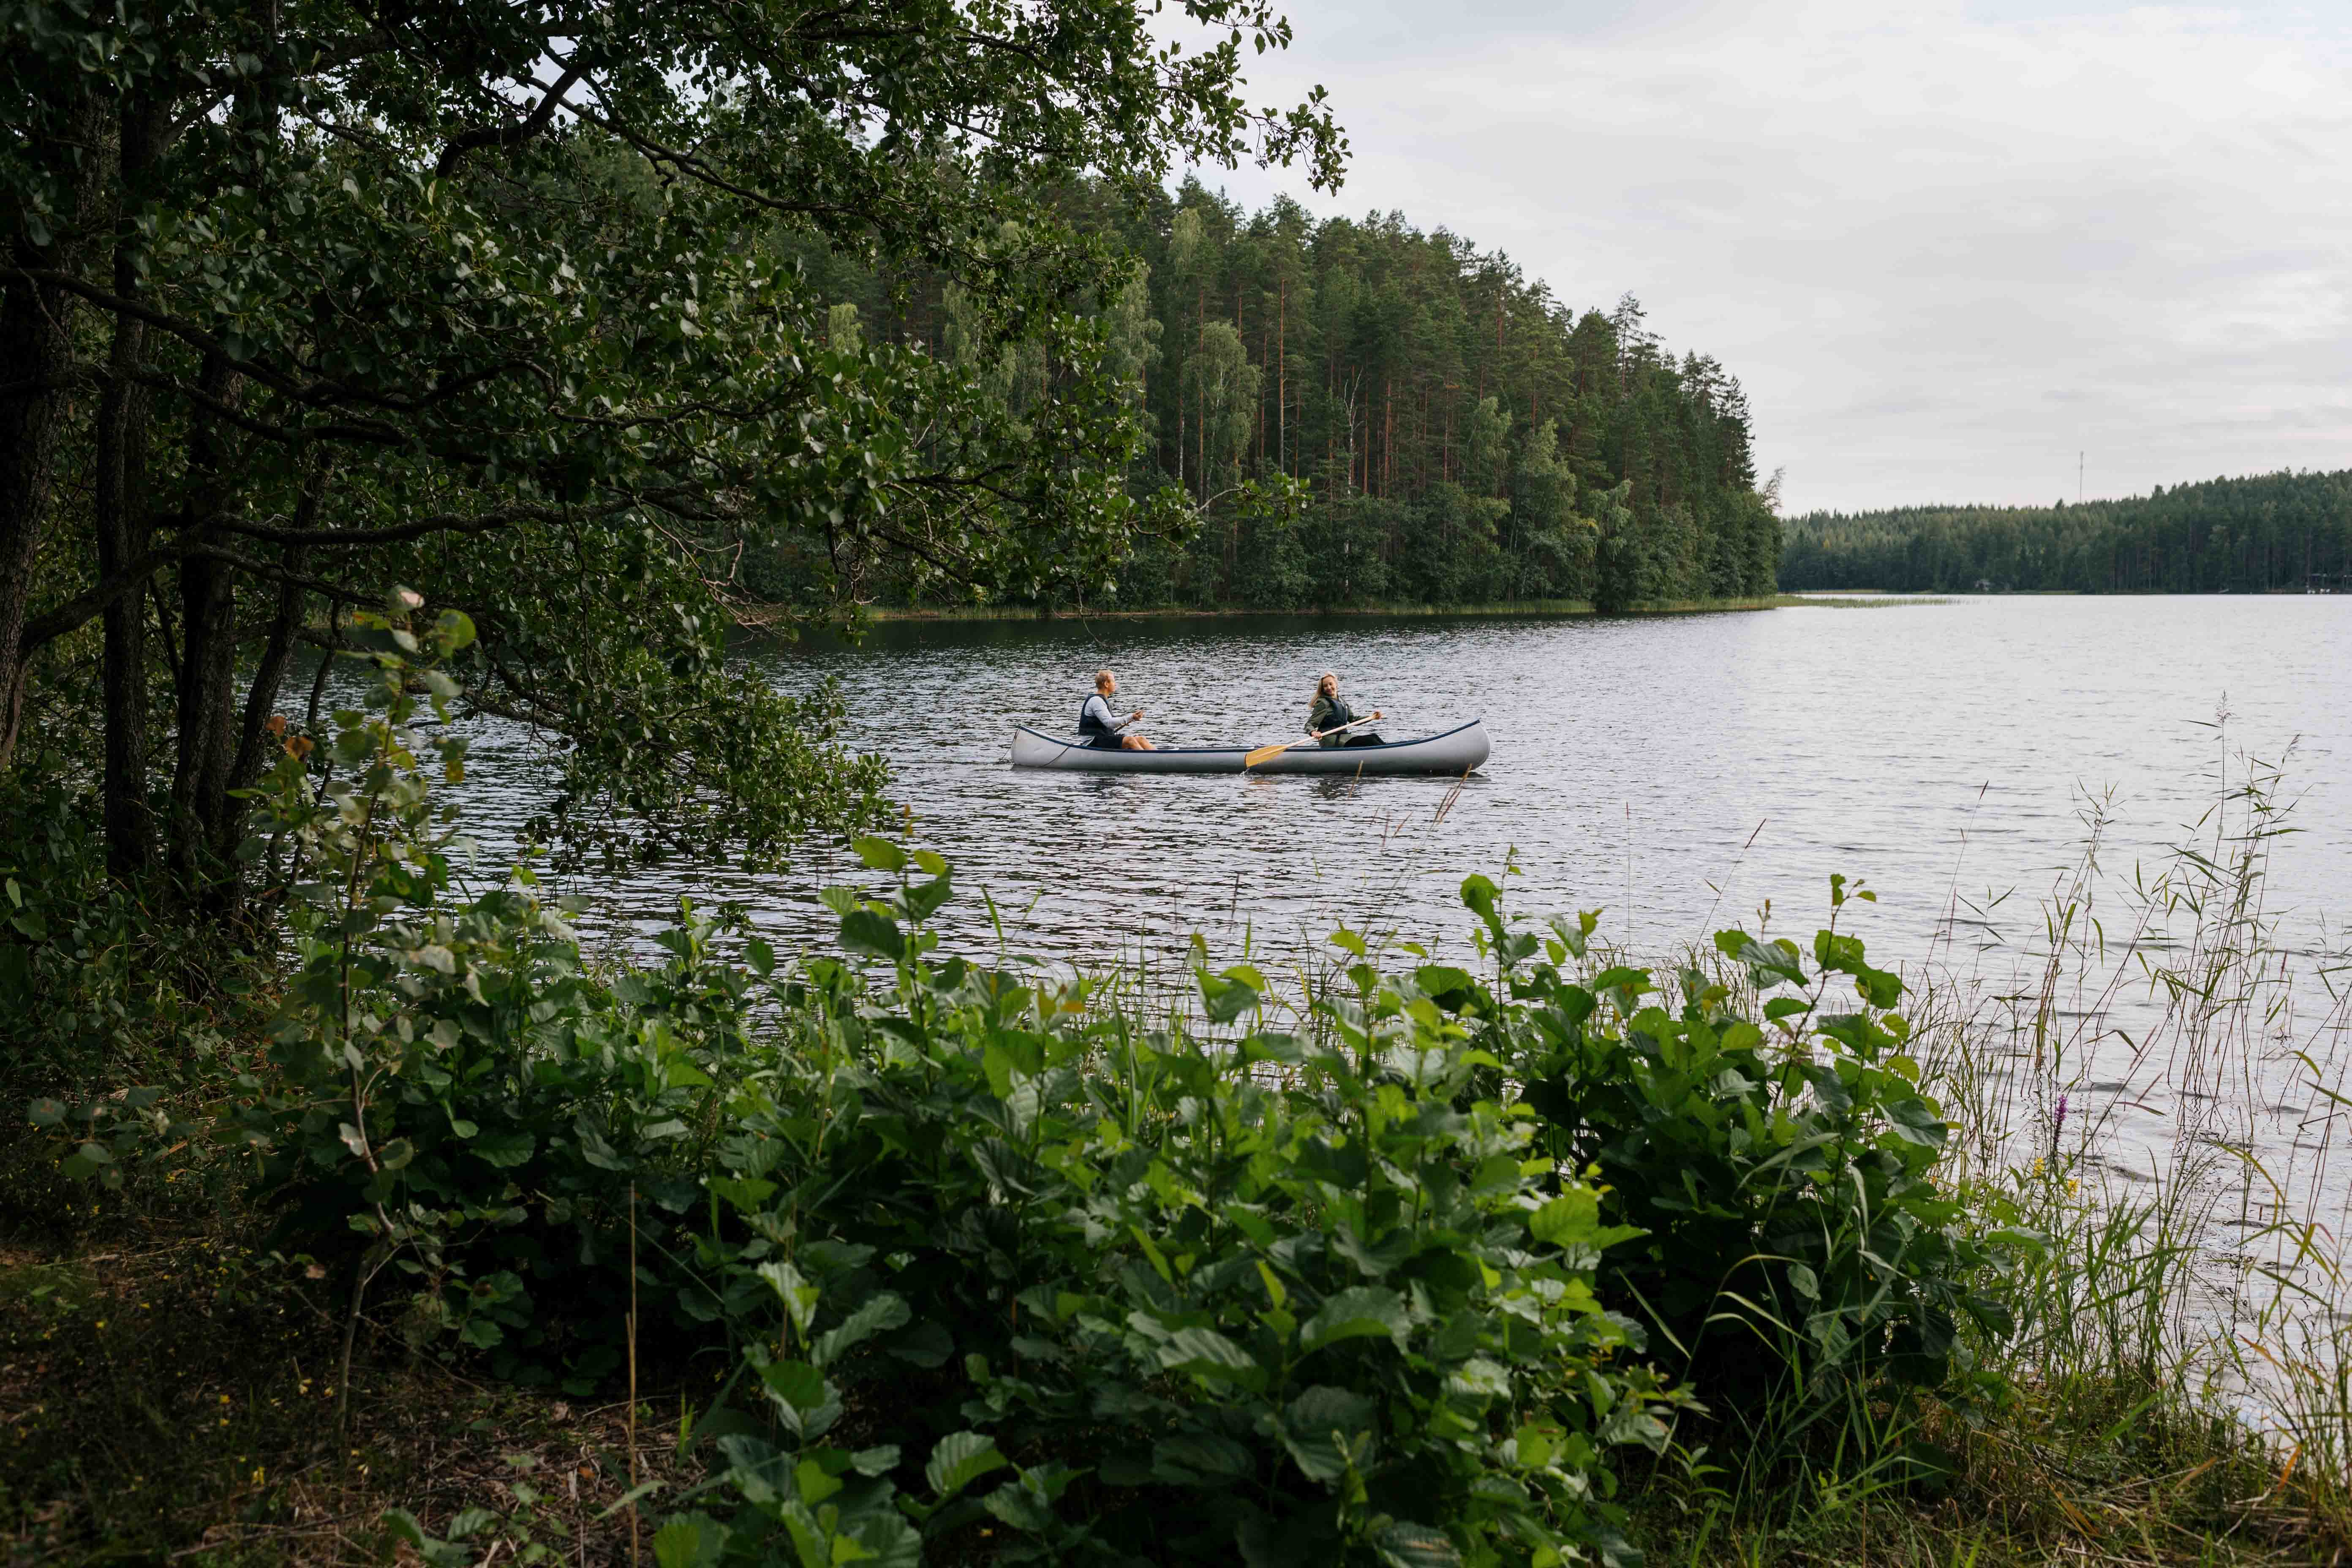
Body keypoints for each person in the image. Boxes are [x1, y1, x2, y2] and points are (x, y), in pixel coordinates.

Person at [1078, 669, 1155, 750]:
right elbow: (1109, 723)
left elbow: (1107, 724)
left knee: (1141, 739)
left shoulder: (1101, 699)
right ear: (1106, 684)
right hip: (1092, 742)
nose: (1115, 684)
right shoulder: (1096, 701)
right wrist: (1131, 717)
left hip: (1102, 738)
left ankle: (1158, 758)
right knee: (1130, 740)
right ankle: (1150, 761)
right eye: (1113, 682)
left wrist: (1129, 720)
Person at [1307, 672, 1384, 747]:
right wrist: (1313, 732)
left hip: (1344, 737)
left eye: (1331, 684)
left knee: (1374, 737)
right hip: (1330, 740)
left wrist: (1371, 717)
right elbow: (1310, 724)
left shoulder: (1342, 701)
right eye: (1325, 686)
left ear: (1336, 684)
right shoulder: (1323, 703)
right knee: (1371, 741)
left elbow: (1353, 719)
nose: (1329, 687)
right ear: (1323, 689)